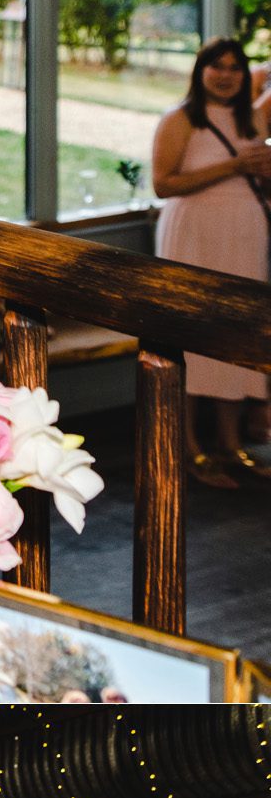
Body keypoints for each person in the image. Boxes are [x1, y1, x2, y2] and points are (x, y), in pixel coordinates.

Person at [152, 38, 271, 488]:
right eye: (216, 66)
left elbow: (256, 175)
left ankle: (230, 443)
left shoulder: (253, 116)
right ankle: (189, 448)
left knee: (238, 336)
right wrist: (234, 166)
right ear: (200, 71)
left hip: (243, 229)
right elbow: (164, 184)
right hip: (194, 230)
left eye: (235, 67)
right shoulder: (180, 119)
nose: (226, 75)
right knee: (191, 335)